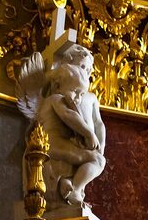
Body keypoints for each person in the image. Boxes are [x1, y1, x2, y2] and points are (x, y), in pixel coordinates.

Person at [35, 48, 106, 206]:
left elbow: (98, 123)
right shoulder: (56, 98)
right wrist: (89, 134)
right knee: (97, 160)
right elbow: (69, 116)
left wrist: (100, 142)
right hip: (53, 144)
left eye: (87, 69)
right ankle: (74, 188)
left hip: (66, 143)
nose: (78, 97)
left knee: (96, 157)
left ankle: (70, 183)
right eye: (81, 67)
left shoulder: (88, 97)